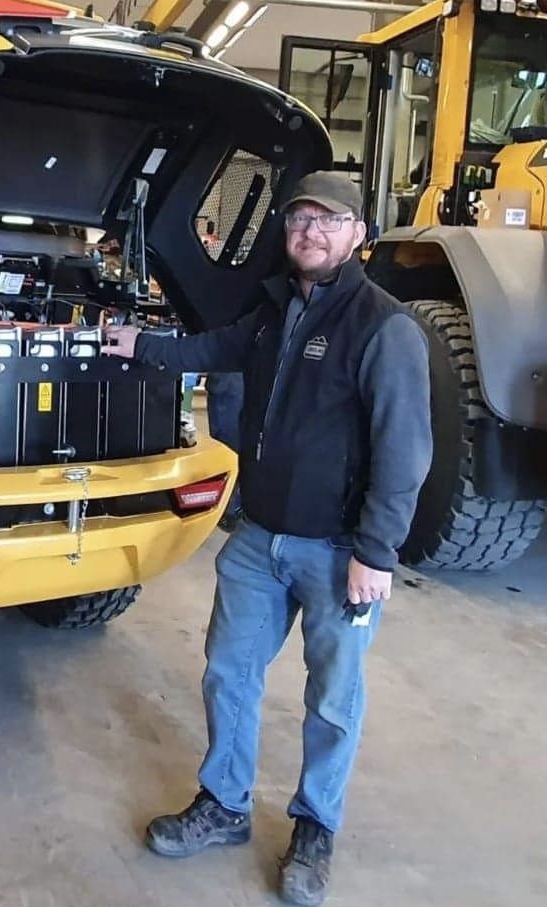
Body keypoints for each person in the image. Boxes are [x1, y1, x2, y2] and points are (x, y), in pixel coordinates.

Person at [102, 171, 432, 907]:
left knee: (333, 699)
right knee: (228, 673)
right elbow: (210, 350)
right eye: (299, 220)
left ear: (358, 235)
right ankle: (223, 804)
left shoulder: (383, 328)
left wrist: (375, 553)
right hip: (259, 538)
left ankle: (315, 827)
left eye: (328, 221)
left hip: (338, 552)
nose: (310, 232)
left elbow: (405, 450)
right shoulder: (272, 310)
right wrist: (138, 344)